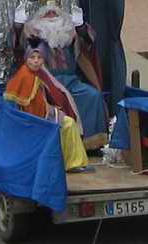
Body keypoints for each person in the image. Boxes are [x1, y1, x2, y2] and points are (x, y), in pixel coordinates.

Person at [15, 1, 108, 148]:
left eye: (55, 13)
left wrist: (81, 26)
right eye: (47, 14)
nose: (52, 17)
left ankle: (90, 143)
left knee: (92, 96)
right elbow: (18, 45)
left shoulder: (69, 34)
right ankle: (57, 144)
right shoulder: (32, 34)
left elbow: (89, 43)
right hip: (46, 83)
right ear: (40, 19)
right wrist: (19, 25)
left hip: (72, 82)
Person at [5, 39, 88, 172]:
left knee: (68, 122)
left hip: (41, 115)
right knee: (67, 124)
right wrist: (52, 113)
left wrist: (53, 109)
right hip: (33, 121)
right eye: (32, 57)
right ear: (26, 59)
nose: (36, 61)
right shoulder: (25, 76)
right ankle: (69, 163)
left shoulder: (37, 74)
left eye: (39, 58)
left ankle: (71, 163)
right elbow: (29, 108)